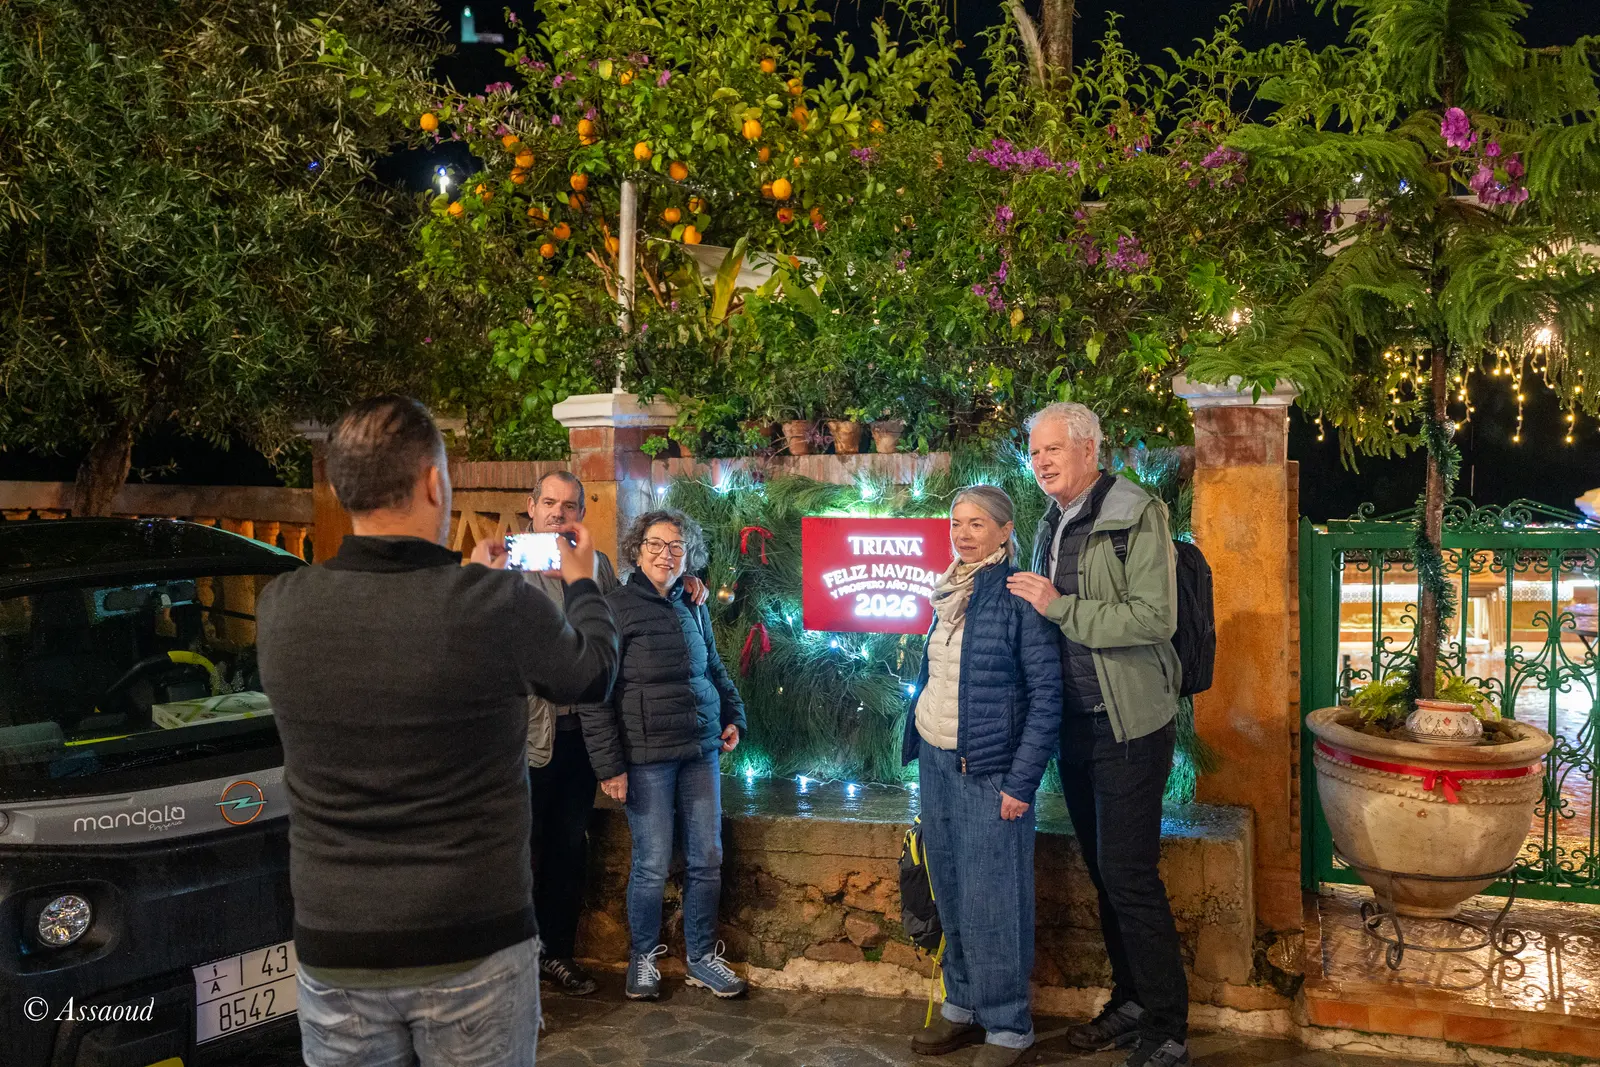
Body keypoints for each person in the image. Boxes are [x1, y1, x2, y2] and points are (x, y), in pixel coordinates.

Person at [257, 396, 618, 1067]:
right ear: (433, 482)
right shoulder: (494, 606)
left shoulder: (281, 607)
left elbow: (399, 651)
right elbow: (591, 673)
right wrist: (582, 578)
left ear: (343, 487)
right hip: (470, 941)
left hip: (337, 946)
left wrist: (471, 583)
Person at [1006, 402, 1191, 1067]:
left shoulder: (1136, 513)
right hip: (1074, 726)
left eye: (1053, 449)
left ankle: (1168, 1026)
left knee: (1130, 873)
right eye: (1034, 453)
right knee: (1105, 873)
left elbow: (1152, 616)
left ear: (1089, 449)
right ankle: (1133, 999)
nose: (1042, 462)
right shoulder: (1050, 522)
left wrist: (1058, 607)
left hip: (1130, 721)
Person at [518, 473, 709, 997]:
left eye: (570, 504)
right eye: (550, 503)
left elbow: (612, 629)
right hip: (527, 736)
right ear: (531, 507)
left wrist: (688, 585)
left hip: (581, 733)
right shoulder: (510, 563)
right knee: (516, 851)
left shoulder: (594, 563)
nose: (559, 512)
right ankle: (513, 963)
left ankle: (555, 954)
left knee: (567, 849)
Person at [904, 486, 1063, 1067]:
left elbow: (1047, 696)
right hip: (938, 762)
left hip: (990, 771)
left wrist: (1022, 783)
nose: (964, 533)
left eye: (977, 523)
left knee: (994, 899)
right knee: (948, 886)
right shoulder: (950, 590)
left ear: (1004, 531)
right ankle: (963, 1004)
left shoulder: (1018, 595)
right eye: (956, 523)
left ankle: (1007, 1026)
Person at [578, 508, 748, 1002]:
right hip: (645, 757)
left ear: (687, 556)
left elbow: (712, 667)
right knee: (651, 862)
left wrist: (733, 717)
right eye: (655, 544)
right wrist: (609, 766)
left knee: (707, 857)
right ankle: (644, 956)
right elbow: (596, 694)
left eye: (676, 546)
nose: (665, 554)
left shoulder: (692, 604)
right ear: (636, 549)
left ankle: (701, 958)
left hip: (700, 751)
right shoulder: (614, 607)